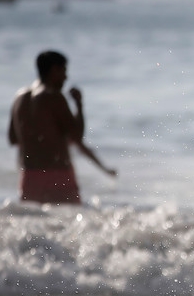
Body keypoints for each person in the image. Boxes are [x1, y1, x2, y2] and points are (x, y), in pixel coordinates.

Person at [8, 50, 116, 205]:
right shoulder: (53, 97)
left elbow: (13, 139)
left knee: (34, 224)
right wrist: (79, 105)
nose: (66, 78)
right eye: (64, 71)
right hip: (57, 176)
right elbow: (77, 137)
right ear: (54, 70)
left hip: (29, 176)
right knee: (69, 223)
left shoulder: (19, 98)